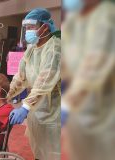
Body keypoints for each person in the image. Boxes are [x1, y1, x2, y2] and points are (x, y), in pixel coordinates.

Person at [62, 0, 115, 160]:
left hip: (102, 107)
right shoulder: (73, 20)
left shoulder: (107, 16)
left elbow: (96, 63)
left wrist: (68, 103)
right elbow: (63, 60)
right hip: (76, 109)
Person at [7, 8, 61, 160]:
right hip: (37, 110)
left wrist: (25, 106)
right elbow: (20, 76)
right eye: (27, 28)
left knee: (54, 150)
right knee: (39, 149)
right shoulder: (31, 49)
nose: (28, 31)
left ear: (45, 27)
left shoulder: (55, 48)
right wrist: (7, 94)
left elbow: (45, 81)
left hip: (54, 111)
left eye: (31, 27)